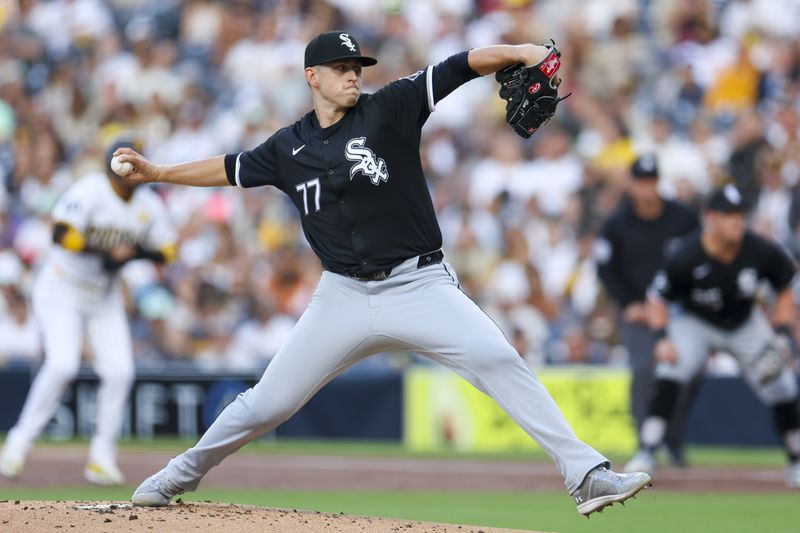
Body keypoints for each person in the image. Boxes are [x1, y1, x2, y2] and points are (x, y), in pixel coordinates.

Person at [119, 31, 650, 516]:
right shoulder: (288, 147)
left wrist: (519, 54)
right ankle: (177, 475)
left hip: (419, 285)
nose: (353, 74)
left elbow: (459, 65)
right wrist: (159, 172)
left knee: (496, 357)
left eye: (357, 66)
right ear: (312, 77)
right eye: (340, 66)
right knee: (268, 402)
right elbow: (230, 168)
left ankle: (586, 475)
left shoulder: (390, 108)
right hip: (342, 296)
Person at [0, 135, 177, 486]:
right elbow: (61, 233)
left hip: (103, 295)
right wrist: (107, 253)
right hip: (62, 287)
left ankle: (101, 457)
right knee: (62, 364)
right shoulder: (92, 189)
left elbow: (168, 250)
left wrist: (135, 252)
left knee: (121, 371)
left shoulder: (148, 203)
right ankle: (16, 445)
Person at [624, 184, 800, 488]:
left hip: (744, 321)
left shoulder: (759, 248)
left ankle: (796, 459)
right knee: (672, 366)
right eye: (728, 214)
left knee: (781, 383)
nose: (736, 221)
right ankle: (648, 450)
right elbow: (657, 299)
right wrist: (662, 338)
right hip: (696, 321)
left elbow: (785, 285)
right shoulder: (686, 253)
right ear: (710, 217)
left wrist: (783, 333)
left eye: (739, 214)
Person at [595, 155, 700, 465]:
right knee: (643, 371)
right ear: (632, 184)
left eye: (651, 181)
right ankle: (647, 446)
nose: (647, 188)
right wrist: (629, 303)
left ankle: (672, 437)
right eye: (641, 182)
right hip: (638, 311)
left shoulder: (683, 218)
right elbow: (605, 270)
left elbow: (699, 258)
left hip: (678, 310)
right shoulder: (616, 224)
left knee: (688, 372)